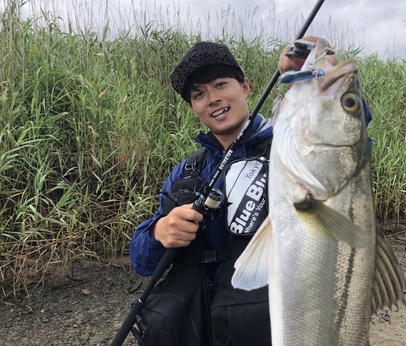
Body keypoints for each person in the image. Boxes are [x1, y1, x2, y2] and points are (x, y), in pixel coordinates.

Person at [128, 36, 369, 346]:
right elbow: (143, 262)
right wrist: (160, 232)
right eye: (199, 94)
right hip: (196, 327)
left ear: (245, 87)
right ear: (192, 108)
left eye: (220, 85)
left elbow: (345, 141)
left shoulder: (289, 147)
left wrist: (316, 68)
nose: (212, 98)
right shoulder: (186, 171)